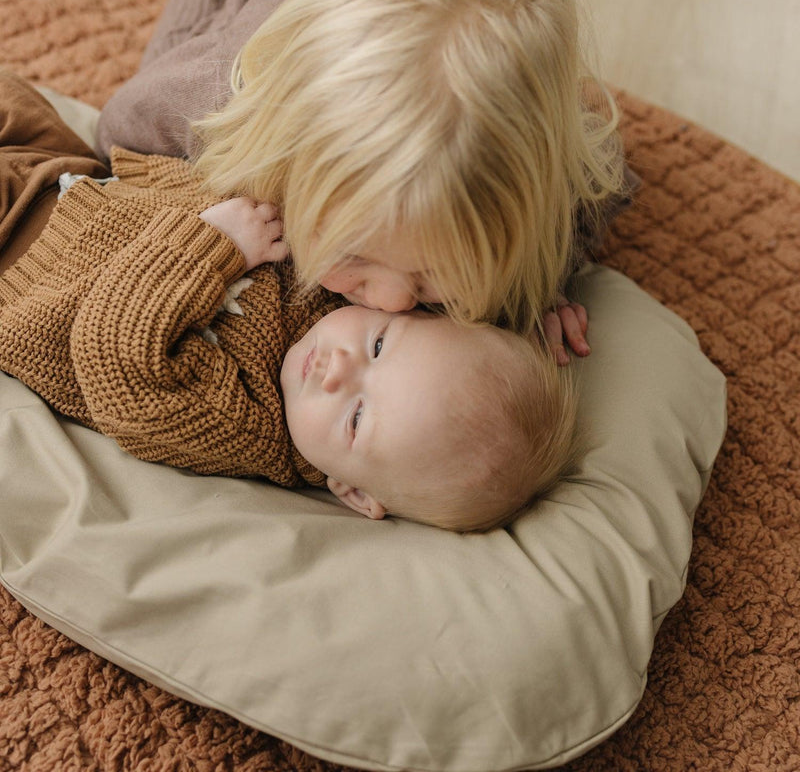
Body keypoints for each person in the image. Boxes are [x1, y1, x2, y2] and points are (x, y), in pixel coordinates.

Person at [0, 71, 576, 532]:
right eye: (378, 345)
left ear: (351, 490)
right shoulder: (348, 307)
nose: (338, 368)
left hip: (22, 259)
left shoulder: (243, 422)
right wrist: (530, 304)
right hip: (77, 176)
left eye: (355, 416)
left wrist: (212, 248)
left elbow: (112, 356)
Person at [97, 0, 638, 362]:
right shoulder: (217, 97)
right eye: (351, 254)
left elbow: (604, 179)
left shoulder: (562, 177)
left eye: (433, 278)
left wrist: (541, 282)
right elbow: (114, 132)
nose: (392, 302)